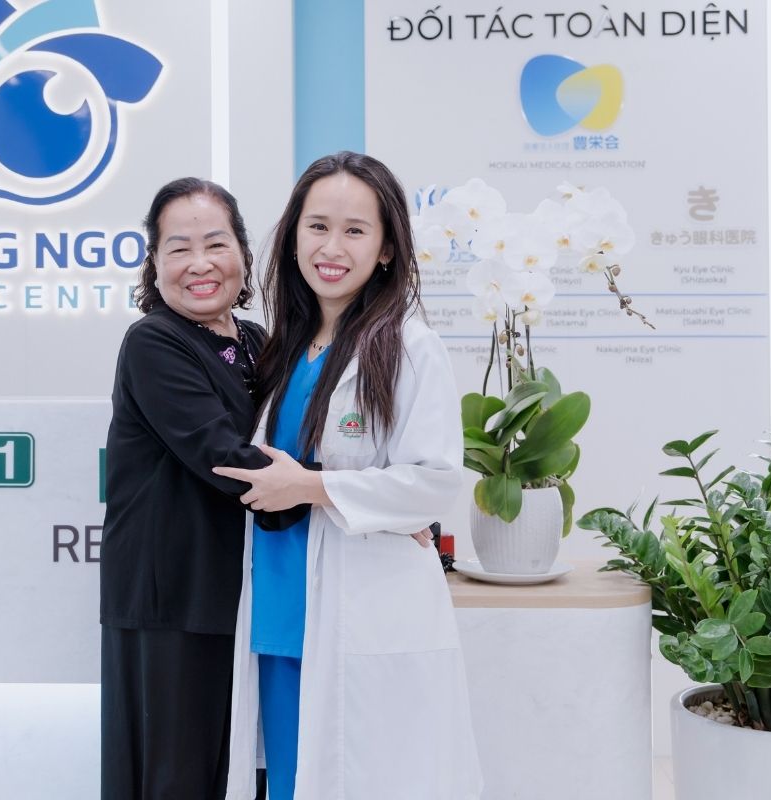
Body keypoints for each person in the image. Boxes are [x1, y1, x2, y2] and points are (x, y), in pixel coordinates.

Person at [214, 152, 484, 799]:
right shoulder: (283, 348)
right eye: (317, 226)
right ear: (293, 236)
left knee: (361, 777)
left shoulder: (409, 347)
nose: (331, 248)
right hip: (280, 609)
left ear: (386, 248)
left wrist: (314, 487)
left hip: (358, 609)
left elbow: (435, 481)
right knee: (289, 781)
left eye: (355, 230)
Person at [99, 178, 273, 799]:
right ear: (154, 262)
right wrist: (353, 497)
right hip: (172, 597)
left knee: (234, 773)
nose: (200, 264)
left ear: (243, 252)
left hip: (235, 594)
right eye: (178, 248)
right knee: (176, 777)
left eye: (215, 244)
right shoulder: (155, 341)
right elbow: (226, 459)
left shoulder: (256, 342)